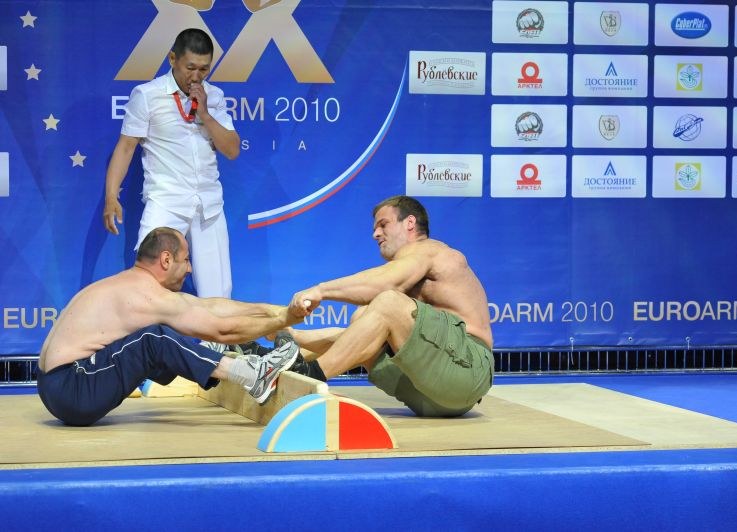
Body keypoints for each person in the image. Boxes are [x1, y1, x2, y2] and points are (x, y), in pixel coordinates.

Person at [37, 227, 302, 427]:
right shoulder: (144, 297)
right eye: (186, 260)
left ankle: (208, 355)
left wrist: (274, 311)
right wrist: (283, 321)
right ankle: (254, 375)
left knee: (162, 336)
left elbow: (207, 307)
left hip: (58, 387)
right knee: (155, 338)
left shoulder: (135, 285)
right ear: (166, 260)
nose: (189, 269)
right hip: (71, 389)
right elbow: (221, 329)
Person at [285, 195, 494, 417]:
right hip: (430, 397)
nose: (375, 234)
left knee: (387, 302)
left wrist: (320, 290)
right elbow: (354, 339)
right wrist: (294, 338)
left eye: (383, 224)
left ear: (410, 223)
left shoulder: (429, 249)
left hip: (468, 371)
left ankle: (309, 377)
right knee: (363, 322)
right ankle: (288, 357)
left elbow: (386, 283)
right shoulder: (413, 270)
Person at [103, 28, 239, 298]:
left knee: (219, 292)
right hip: (166, 201)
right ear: (172, 59)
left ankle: (215, 343)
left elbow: (232, 150)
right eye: (190, 67)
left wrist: (206, 115)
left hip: (208, 205)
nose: (196, 76)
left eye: (204, 69)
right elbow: (126, 147)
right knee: (149, 286)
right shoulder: (146, 95)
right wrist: (110, 196)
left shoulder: (215, 97)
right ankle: (148, 341)